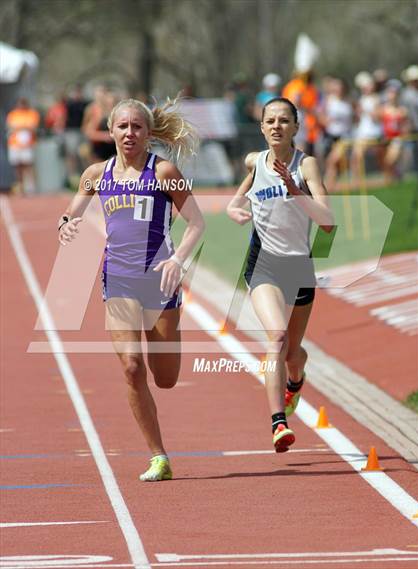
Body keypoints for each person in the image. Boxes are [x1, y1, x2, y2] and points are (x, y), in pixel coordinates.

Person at [58, 97, 205, 481]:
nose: (129, 133)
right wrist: (66, 225)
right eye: (122, 126)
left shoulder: (165, 171)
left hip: (159, 281)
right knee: (131, 367)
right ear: (110, 131)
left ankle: (172, 337)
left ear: (149, 133)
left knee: (166, 378)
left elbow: (196, 224)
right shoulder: (95, 174)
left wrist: (177, 261)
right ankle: (159, 456)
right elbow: (70, 213)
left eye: (137, 127)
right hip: (119, 280)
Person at [226, 97, 334, 452]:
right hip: (264, 265)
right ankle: (279, 423)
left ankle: (296, 381)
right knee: (276, 338)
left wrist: (295, 190)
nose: (276, 126)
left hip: (299, 267)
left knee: (292, 353)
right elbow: (246, 182)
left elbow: (328, 223)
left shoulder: (308, 165)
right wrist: (233, 206)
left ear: (295, 127)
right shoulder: (254, 161)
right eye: (270, 121)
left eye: (284, 120)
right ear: (261, 127)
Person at [320, 78, 353, 191]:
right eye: (335, 86)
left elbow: (355, 116)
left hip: (345, 136)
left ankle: (326, 188)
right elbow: (320, 114)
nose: (337, 89)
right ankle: (328, 189)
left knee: (332, 161)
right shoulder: (329, 100)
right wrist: (325, 121)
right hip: (330, 135)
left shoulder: (348, 101)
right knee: (332, 165)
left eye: (339, 86)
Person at [6, 97, 41, 195]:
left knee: (28, 166)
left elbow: (33, 127)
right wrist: (24, 127)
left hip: (28, 144)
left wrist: (19, 127)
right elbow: (11, 127)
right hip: (15, 144)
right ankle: (20, 188)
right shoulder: (13, 114)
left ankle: (31, 187)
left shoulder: (32, 113)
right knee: (17, 167)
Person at [380, 79, 409, 182]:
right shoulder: (383, 109)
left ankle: (396, 176)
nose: (392, 95)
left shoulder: (402, 110)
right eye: (390, 92)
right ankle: (393, 179)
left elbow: (405, 126)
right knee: (386, 162)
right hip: (386, 139)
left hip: (397, 139)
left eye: (394, 92)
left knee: (390, 160)